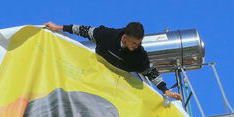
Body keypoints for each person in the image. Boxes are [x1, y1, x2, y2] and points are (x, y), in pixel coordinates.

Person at [44, 21, 183, 101]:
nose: (136, 46)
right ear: (124, 38)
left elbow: (151, 72)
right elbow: (83, 30)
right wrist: (58, 28)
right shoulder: (107, 36)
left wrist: (165, 90)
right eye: (134, 43)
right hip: (98, 76)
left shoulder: (139, 55)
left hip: (120, 87)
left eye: (139, 43)